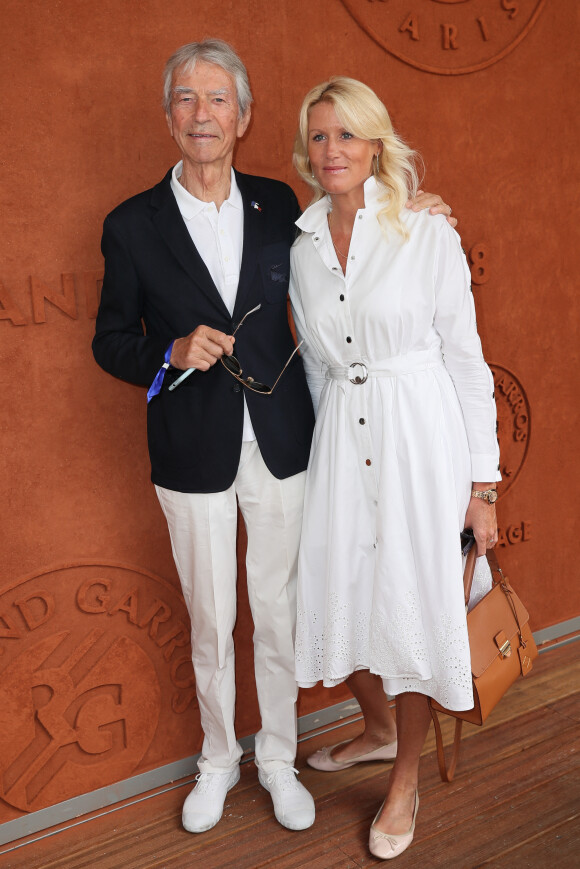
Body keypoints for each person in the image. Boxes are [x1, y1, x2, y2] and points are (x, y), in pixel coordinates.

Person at [92, 39, 453, 836]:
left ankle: (280, 760)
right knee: (212, 618)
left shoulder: (280, 207)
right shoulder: (132, 224)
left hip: (285, 441)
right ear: (168, 116)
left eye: (218, 98)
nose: (202, 114)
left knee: (280, 610)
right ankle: (219, 760)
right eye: (186, 98)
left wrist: (418, 203)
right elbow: (109, 340)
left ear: (245, 117)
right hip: (191, 451)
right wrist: (169, 351)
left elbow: (357, 233)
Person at [289, 77, 499, 860]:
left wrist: (481, 487)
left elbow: (468, 362)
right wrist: (323, 457)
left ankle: (404, 777)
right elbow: (316, 365)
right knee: (340, 593)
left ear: (376, 143)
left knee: (411, 602)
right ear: (306, 153)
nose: (332, 150)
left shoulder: (423, 230)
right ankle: (378, 729)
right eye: (318, 137)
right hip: (345, 441)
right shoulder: (303, 244)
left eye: (347, 134)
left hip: (420, 442)